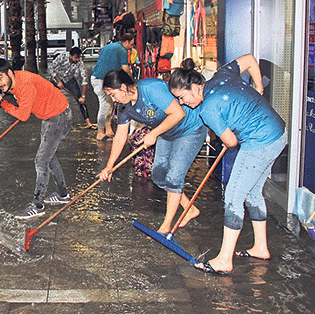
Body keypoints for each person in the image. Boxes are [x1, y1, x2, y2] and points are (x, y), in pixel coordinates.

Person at [169, 54, 287, 274]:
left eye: (182, 97)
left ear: (195, 87)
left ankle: (224, 260)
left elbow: (231, 142)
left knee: (233, 195)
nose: (183, 103)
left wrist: (226, 135)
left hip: (260, 142)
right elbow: (250, 60)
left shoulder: (207, 109)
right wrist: (259, 87)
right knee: (252, 193)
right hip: (279, 134)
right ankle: (261, 247)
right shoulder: (222, 74)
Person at [98, 65, 207, 233]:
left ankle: (166, 227)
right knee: (159, 176)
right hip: (166, 133)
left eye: (113, 95)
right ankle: (190, 209)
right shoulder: (125, 108)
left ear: (124, 87)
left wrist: (154, 133)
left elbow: (178, 113)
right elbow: (120, 136)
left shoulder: (150, 89)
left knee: (173, 178)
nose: (114, 99)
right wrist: (109, 165)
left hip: (189, 129)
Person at [0, 57, 73, 220]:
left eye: (0, 78)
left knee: (41, 161)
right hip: (51, 116)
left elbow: (23, 115)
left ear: (10, 73)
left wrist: (2, 102)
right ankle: (63, 195)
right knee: (49, 157)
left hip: (58, 117)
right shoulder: (15, 81)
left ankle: (38, 205)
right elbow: (24, 105)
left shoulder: (25, 85)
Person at [90, 33, 135, 141]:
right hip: (102, 80)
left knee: (109, 105)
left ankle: (108, 129)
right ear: (126, 42)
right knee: (105, 106)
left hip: (97, 78)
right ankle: (100, 133)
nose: (131, 47)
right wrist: (132, 82)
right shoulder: (122, 50)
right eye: (131, 44)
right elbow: (125, 68)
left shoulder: (108, 47)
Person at [48, 47, 94, 129]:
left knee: (79, 99)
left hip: (69, 79)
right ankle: (52, 120)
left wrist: (83, 96)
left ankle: (88, 122)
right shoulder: (62, 57)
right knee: (52, 99)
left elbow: (84, 78)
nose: (77, 60)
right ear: (70, 56)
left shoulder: (79, 62)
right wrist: (58, 81)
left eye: (79, 57)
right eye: (76, 57)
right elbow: (51, 68)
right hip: (56, 78)